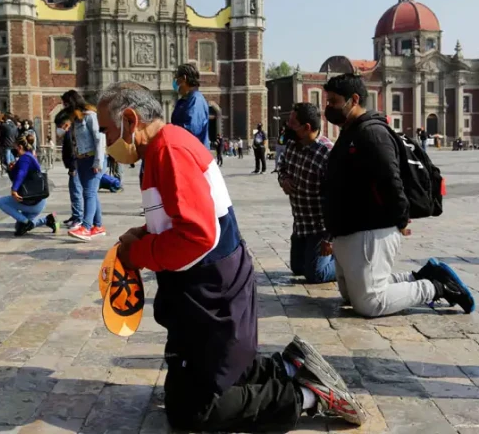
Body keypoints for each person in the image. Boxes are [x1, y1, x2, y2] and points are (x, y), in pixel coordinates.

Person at [97, 81, 366, 432]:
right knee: (186, 387)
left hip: (213, 295)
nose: (105, 139)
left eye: (106, 129)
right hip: (203, 293)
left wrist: (140, 253)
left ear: (130, 119)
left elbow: (197, 235)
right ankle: (288, 367)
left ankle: (307, 396)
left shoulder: (170, 151)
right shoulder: (164, 148)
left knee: (194, 412)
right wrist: (145, 235)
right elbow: (182, 218)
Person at [323, 73, 474, 317]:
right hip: (348, 228)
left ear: (354, 99)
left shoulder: (371, 133)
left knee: (370, 303)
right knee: (351, 295)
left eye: (333, 102)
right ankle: (419, 276)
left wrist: (400, 218)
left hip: (369, 227)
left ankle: (438, 287)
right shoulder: (351, 131)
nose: (328, 108)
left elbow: (390, 181)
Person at [278, 103, 336, 284]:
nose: (288, 126)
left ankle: (345, 260)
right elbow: (282, 167)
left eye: (293, 123)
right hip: (301, 224)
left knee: (315, 275)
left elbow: (336, 199)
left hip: (320, 228)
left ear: (307, 128)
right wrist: (284, 179)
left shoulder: (327, 153)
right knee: (298, 268)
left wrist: (330, 239)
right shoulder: (292, 145)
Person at [61, 90, 106, 241]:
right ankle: (98, 226)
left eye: (66, 104)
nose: (64, 107)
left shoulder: (90, 116)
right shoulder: (76, 120)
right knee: (91, 192)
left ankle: (86, 227)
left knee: (89, 193)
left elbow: (99, 139)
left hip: (92, 158)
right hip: (81, 159)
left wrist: (98, 162)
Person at [0, 135, 59, 236]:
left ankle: (27, 223)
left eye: (15, 147)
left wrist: (14, 189)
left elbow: (22, 173)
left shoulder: (25, 158)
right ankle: (47, 220)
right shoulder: (29, 156)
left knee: (1, 202)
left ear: (20, 147)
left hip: (31, 202)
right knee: (18, 227)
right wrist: (12, 169)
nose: (15, 149)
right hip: (37, 201)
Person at [171, 63, 210, 149]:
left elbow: (192, 129)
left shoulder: (196, 100)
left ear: (184, 78)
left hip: (195, 154)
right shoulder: (184, 100)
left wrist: (169, 129)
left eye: (177, 79)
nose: (175, 83)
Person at [57, 110, 83, 230]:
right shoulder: (71, 132)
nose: (59, 129)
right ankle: (75, 216)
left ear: (66, 124)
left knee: (76, 192)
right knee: (73, 191)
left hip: (75, 167)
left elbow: (72, 151)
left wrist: (72, 167)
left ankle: (78, 218)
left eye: (60, 126)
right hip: (74, 166)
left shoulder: (70, 133)